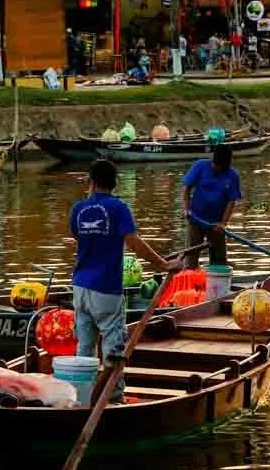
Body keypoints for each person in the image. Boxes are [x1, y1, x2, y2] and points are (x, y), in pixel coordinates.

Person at [70, 159, 178, 402]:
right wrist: (163, 264)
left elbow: (79, 237)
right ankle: (115, 396)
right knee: (113, 345)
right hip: (106, 288)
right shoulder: (119, 208)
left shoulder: (78, 209)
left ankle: (80, 396)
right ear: (114, 184)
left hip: (79, 286)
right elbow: (133, 241)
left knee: (84, 346)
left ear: (92, 182)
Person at [183, 144, 242, 269]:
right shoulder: (200, 166)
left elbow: (231, 201)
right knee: (191, 256)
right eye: (216, 166)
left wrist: (223, 223)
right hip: (196, 219)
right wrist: (187, 209)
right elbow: (186, 188)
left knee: (219, 260)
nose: (217, 169)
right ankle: (190, 281)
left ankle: (218, 284)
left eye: (221, 167)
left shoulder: (232, 175)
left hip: (216, 224)